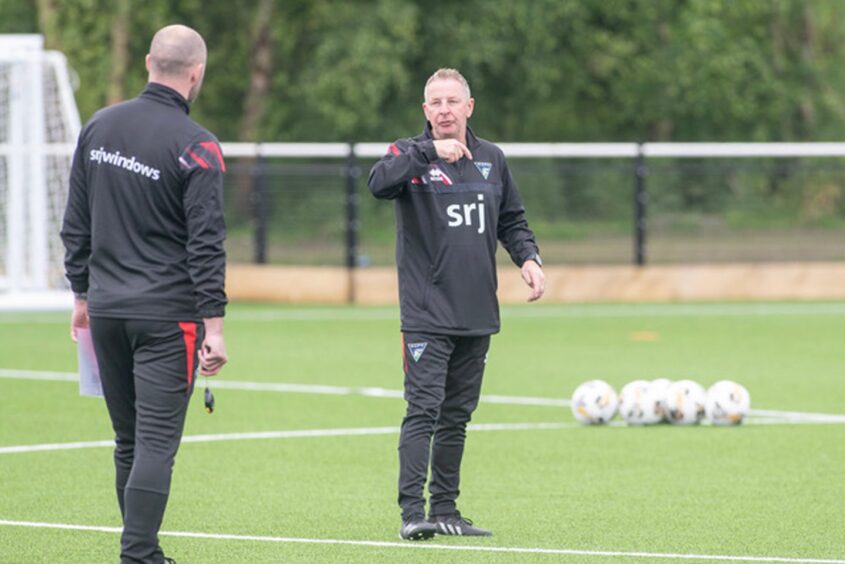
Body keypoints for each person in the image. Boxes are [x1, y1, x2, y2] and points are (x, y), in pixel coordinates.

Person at [61, 24, 228, 564]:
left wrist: (81, 296)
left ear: (150, 63)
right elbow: (207, 243)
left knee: (128, 442)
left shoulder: (99, 127)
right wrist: (215, 326)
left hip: (106, 311)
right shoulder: (198, 145)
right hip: (168, 318)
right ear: (195, 73)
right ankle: (138, 555)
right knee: (155, 444)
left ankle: (143, 550)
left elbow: (76, 223)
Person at [368, 68, 545, 541]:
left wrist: (528, 258)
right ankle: (412, 513)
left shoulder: (493, 159)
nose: (444, 109)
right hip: (427, 313)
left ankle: (445, 509)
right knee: (422, 410)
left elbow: (513, 219)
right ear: (425, 110)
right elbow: (377, 183)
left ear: (469, 107)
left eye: (452, 101)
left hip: (477, 312)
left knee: (457, 416)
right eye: (435, 102)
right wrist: (428, 152)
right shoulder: (407, 153)